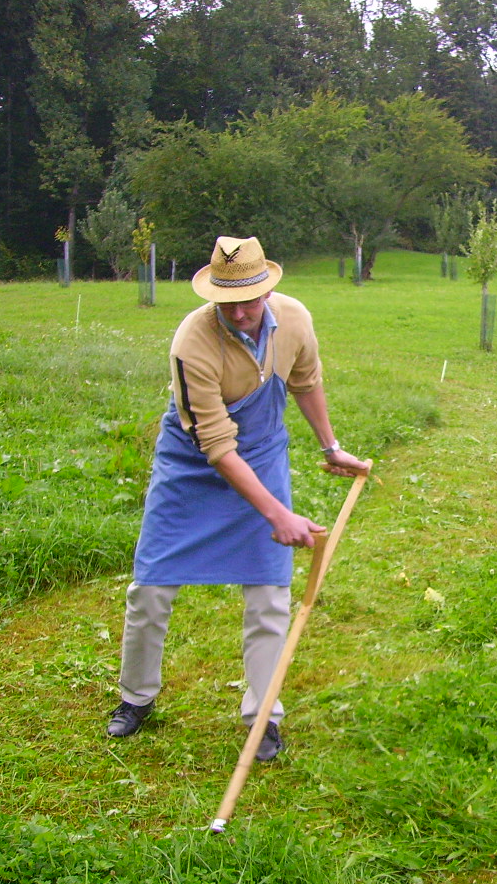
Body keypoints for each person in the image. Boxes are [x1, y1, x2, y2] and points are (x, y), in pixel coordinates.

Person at [109, 236, 370, 761]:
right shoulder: (191, 342)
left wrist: (331, 446)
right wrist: (277, 514)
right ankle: (136, 697)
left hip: (264, 453)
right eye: (230, 302)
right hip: (193, 465)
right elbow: (217, 446)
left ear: (268, 289)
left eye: (252, 298)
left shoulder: (294, 319)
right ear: (214, 299)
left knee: (269, 594)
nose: (243, 312)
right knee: (151, 589)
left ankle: (263, 715)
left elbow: (306, 382)